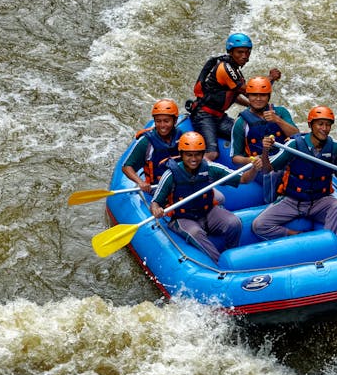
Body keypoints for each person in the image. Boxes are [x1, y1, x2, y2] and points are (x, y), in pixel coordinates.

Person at [253, 106, 337, 239]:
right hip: (292, 201)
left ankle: (326, 241)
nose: (324, 129)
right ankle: (296, 235)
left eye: (328, 125)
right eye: (320, 124)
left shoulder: (334, 148)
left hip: (319, 201)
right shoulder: (294, 145)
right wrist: (266, 150)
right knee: (259, 224)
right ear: (310, 125)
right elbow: (267, 169)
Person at [151, 131, 261, 263]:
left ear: (203, 154)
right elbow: (155, 203)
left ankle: (231, 254)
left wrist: (254, 169)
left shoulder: (209, 167)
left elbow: (243, 179)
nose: (193, 159)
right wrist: (156, 210)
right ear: (181, 154)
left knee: (234, 223)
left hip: (207, 211)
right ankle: (219, 263)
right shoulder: (170, 175)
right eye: (189, 155)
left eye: (197, 154)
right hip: (182, 218)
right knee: (195, 233)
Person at [187, 32, 281, 162]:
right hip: (204, 116)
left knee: (245, 134)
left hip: (219, 117)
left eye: (247, 53)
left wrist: (250, 105)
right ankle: (195, 177)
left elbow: (234, 95)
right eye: (240, 52)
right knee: (212, 154)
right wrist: (270, 78)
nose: (244, 56)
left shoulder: (234, 69)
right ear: (231, 52)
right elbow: (249, 91)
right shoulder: (225, 68)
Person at [229, 75, 298, 203]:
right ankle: (273, 204)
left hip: (284, 160)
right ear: (248, 96)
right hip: (261, 167)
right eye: (254, 95)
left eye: (263, 95)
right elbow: (235, 158)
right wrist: (252, 161)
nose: (258, 99)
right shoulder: (241, 123)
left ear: (269, 96)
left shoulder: (280, 112)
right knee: (271, 174)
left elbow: (296, 135)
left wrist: (278, 120)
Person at [121, 98, 183, 193]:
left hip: (181, 182)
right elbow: (126, 167)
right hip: (157, 188)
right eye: (158, 121)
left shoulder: (181, 136)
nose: (162, 125)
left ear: (175, 121)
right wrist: (140, 182)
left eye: (166, 121)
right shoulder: (146, 142)